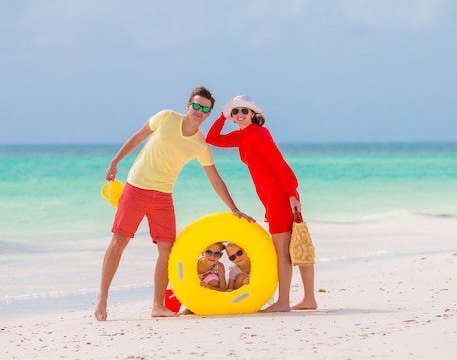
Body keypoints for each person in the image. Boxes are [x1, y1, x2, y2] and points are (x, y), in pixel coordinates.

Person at [94, 87, 254, 321]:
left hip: (163, 196)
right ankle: (102, 298)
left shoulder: (200, 144)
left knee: (167, 251)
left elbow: (215, 180)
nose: (199, 111)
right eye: (196, 105)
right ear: (188, 105)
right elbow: (138, 136)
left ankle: (157, 306)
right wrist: (115, 161)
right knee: (119, 241)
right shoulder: (166, 117)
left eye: (205, 109)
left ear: (209, 114)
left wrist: (234, 208)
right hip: (136, 188)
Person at [206, 95, 317, 312]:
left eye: (244, 111)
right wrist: (222, 115)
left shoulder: (259, 133)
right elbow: (212, 138)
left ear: (253, 114)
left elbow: (278, 162)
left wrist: (291, 193)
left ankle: (284, 302)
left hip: (280, 197)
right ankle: (309, 299)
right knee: (295, 247)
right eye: (235, 111)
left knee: (283, 250)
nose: (239, 115)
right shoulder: (240, 137)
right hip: (272, 198)